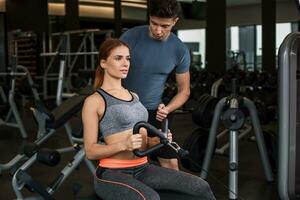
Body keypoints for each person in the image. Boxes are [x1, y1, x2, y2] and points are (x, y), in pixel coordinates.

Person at [82, 38, 215, 200]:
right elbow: (90, 151)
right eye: (118, 58)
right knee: (150, 198)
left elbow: (144, 142)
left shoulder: (134, 96)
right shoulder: (94, 101)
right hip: (112, 173)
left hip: (143, 168)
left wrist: (158, 140)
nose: (125, 63)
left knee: (201, 186)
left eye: (128, 58)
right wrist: (124, 144)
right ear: (103, 63)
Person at [120, 0, 190, 170]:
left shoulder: (179, 50)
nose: (158, 31)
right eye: (154, 23)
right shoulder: (130, 38)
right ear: (149, 18)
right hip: (125, 108)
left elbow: (184, 91)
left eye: (165, 26)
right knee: (130, 161)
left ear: (174, 21)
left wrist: (168, 108)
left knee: (171, 166)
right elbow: (108, 75)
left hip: (155, 112)